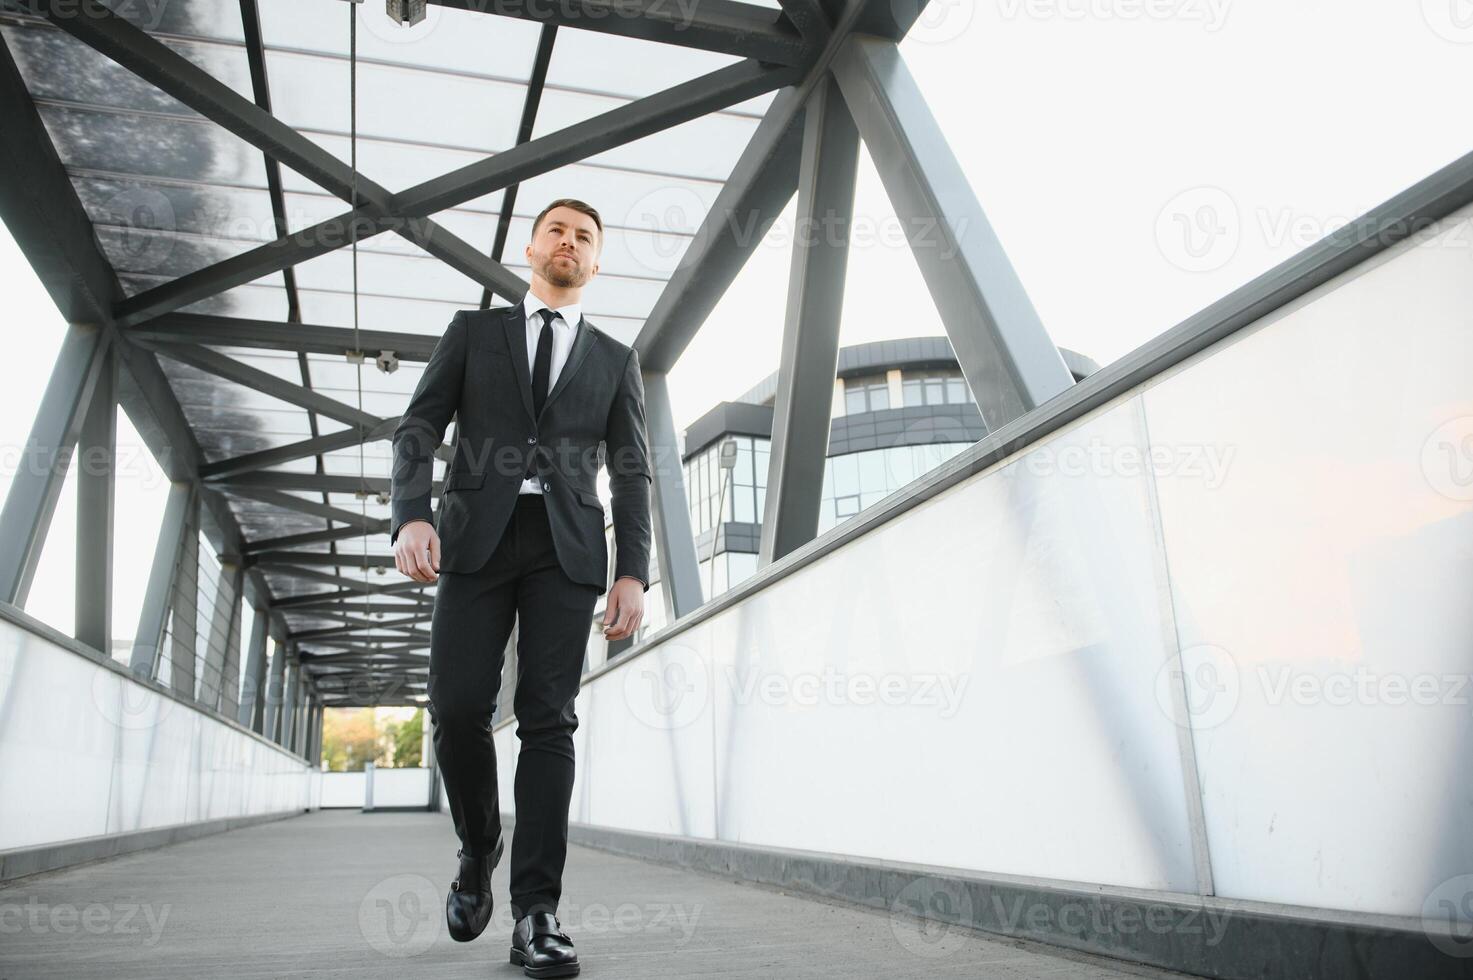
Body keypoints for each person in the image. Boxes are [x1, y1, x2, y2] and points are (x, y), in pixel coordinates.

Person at [389, 199, 652, 978]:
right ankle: (478, 845)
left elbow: (632, 469)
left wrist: (632, 569)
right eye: (557, 231)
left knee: (548, 721)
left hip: (564, 550)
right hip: (472, 538)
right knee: (459, 707)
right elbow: (417, 428)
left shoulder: (614, 357)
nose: (568, 243)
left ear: (595, 263)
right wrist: (410, 516)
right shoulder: (474, 335)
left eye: (585, 238)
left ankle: (537, 911)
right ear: (529, 247)